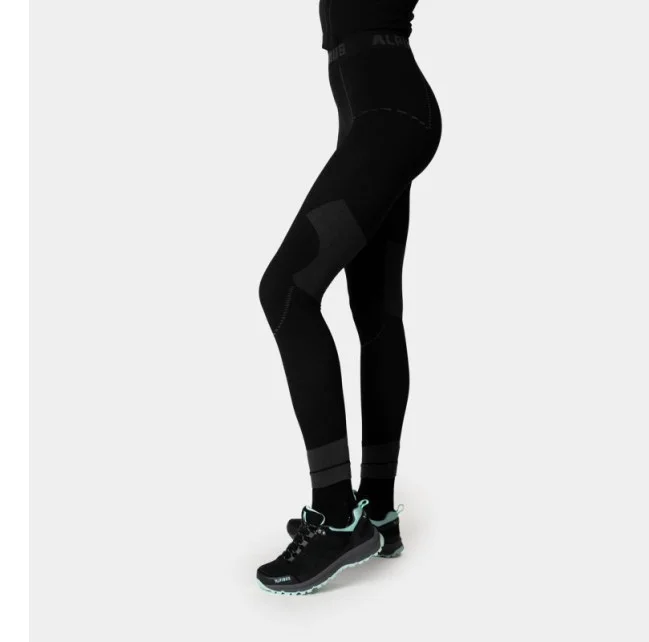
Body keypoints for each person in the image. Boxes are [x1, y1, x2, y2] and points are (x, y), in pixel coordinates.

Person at [256, 0, 442, 595]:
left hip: (390, 114)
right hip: (373, 115)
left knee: (286, 291)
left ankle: (337, 518)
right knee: (376, 311)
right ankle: (378, 511)